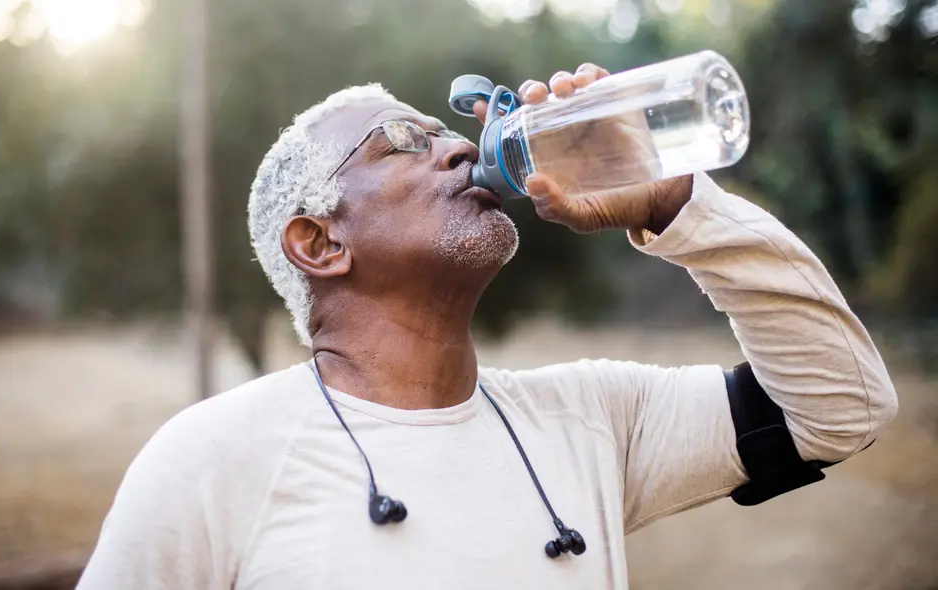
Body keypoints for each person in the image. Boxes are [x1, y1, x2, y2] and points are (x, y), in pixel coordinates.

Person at [77, 63, 898, 589]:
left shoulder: (595, 418)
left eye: (447, 131)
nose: (458, 152)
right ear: (320, 241)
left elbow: (843, 408)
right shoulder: (212, 460)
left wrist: (677, 206)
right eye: (401, 141)